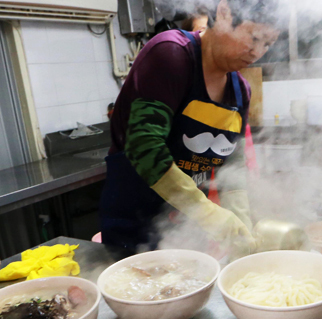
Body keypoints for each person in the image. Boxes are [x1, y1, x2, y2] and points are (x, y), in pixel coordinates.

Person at [100, 0, 280, 256]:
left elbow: (234, 163)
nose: (257, 52)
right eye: (254, 38)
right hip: (136, 223)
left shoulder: (240, 91)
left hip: (185, 227)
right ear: (224, 12)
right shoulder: (171, 54)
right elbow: (145, 146)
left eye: (268, 44)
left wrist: (241, 228)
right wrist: (208, 213)